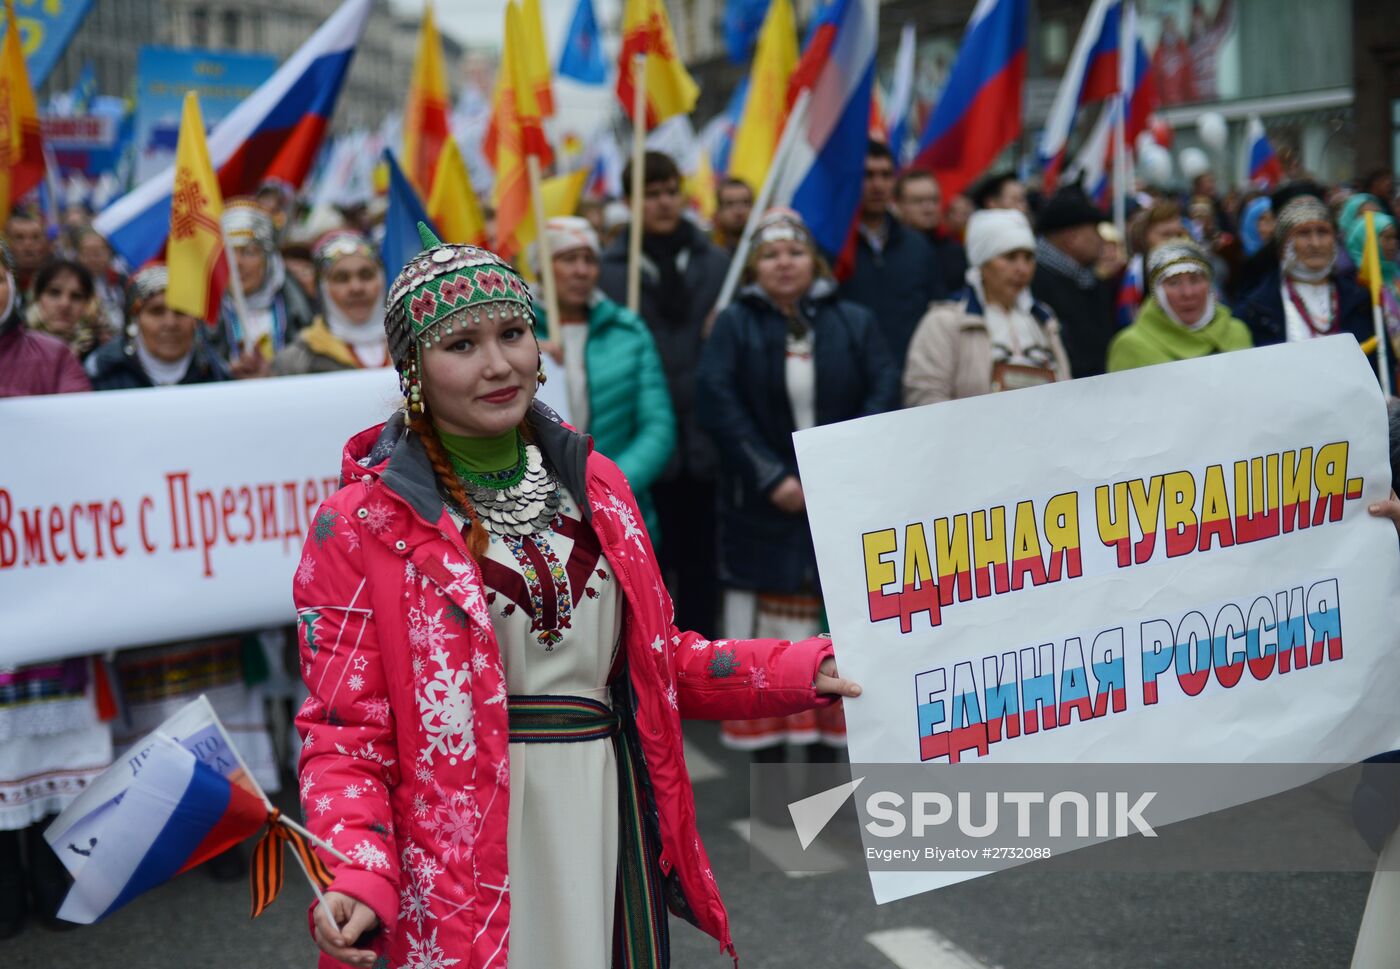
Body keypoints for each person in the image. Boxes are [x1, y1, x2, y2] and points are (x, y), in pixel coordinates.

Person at [293, 223, 861, 969]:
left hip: (608, 812)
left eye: (513, 333)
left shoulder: (599, 484)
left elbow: (659, 661)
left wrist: (796, 670)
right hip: (465, 849)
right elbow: (343, 732)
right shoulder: (359, 524)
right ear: (413, 370)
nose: (499, 364)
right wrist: (360, 870)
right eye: (461, 345)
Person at [696, 208, 896, 770]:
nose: (784, 263)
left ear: (815, 260)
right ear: (755, 266)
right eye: (770, 254)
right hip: (761, 511)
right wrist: (771, 477)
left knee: (839, 640)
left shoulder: (854, 319)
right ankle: (778, 789)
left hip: (841, 501)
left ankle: (835, 779)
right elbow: (717, 402)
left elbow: (882, 388)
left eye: (794, 252)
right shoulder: (734, 323)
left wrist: (837, 468)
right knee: (773, 647)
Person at [0, 239, 109, 938]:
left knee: (49, 744)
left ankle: (52, 872)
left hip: (41, 569)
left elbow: (81, 440)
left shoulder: (50, 355)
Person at [598, 150, 729, 636]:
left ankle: (703, 653)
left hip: (702, 438)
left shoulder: (715, 263)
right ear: (631, 202)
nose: (663, 202)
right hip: (641, 443)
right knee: (648, 558)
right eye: (650, 194)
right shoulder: (611, 271)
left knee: (702, 560)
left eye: (670, 191)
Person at [531, 216, 675, 537]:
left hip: (622, 511)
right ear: (541, 267)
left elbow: (658, 427)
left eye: (590, 259)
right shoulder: (516, 332)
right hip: (540, 516)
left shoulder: (628, 330)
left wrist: (610, 485)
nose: (582, 271)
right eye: (569, 259)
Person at [904, 209, 1071, 405]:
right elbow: (925, 395)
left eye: (1028, 258)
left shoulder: (1043, 319)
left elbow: (1066, 389)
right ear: (982, 263)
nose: (1022, 268)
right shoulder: (945, 321)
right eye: (1010, 257)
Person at [839, 140, 944, 367]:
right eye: (868, 175)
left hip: (912, 373)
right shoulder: (836, 248)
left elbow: (936, 312)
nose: (877, 185)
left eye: (886, 175)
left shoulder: (917, 246)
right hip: (853, 376)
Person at [1237, 195, 1373, 349]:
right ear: (1284, 245)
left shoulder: (1362, 302)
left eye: (1322, 232)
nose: (1315, 244)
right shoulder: (1256, 311)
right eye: (1304, 234)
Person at [1107, 238, 1252, 372]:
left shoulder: (1237, 332)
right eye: (1173, 282)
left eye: (1195, 280)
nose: (1188, 293)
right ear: (1157, 293)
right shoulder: (1130, 346)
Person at [213, 198, 315, 375]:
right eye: (228, 253)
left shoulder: (302, 310)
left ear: (269, 260)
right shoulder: (203, 322)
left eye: (248, 252)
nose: (237, 263)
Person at [86, 264, 230, 389]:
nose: (170, 323)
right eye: (157, 311)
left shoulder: (219, 374)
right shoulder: (101, 374)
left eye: (181, 312)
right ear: (134, 320)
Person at [273, 230, 390, 375]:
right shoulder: (296, 361)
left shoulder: (416, 344)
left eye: (366, 275)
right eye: (341, 278)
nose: (356, 288)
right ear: (322, 289)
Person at [1030, 187, 1117, 378]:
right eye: (1095, 231)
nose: (1102, 240)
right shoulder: (1035, 283)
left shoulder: (1090, 280)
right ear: (1072, 239)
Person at [894, 168, 969, 295]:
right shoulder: (886, 252)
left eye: (934, 200)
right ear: (899, 204)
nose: (929, 208)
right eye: (918, 201)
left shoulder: (956, 252)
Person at [26, 259, 109, 360]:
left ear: (87, 305)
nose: (65, 304)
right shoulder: (15, 347)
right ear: (37, 298)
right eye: (54, 293)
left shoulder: (100, 357)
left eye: (76, 296)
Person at [71, 227, 125, 336]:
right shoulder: (72, 284)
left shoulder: (121, 280)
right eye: (87, 253)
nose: (92, 259)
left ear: (108, 253)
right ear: (78, 256)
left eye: (97, 253)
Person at [3, 209, 51, 299]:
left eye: (35, 237)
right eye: (19, 238)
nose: (28, 244)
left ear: (46, 245)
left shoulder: (56, 282)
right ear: (7, 245)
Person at [712, 176, 754, 253]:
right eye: (730, 204)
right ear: (718, 213)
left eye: (745, 202)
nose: (739, 211)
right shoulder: (709, 255)